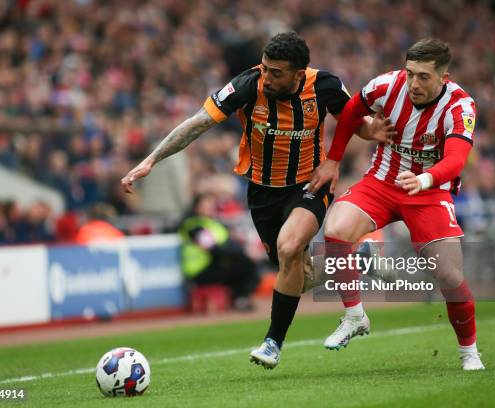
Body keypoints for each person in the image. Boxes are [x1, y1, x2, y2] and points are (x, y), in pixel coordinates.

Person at [121, 32, 394, 369]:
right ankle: (363, 259)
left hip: (309, 184)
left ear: (298, 74)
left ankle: (272, 342)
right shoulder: (248, 85)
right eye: (264, 68)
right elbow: (198, 123)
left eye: (276, 73)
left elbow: (355, 122)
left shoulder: (325, 86)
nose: (267, 78)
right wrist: (151, 160)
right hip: (262, 192)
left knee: (290, 246)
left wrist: (372, 131)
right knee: (298, 274)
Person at [309, 38, 485, 370]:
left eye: (423, 77)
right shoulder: (386, 86)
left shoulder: (460, 106)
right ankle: (354, 316)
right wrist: (333, 160)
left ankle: (469, 351)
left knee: (449, 276)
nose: (413, 83)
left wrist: (425, 179)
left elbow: (456, 160)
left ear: (443, 79)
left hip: (429, 193)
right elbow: (349, 114)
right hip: (382, 182)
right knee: (335, 230)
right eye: (410, 74)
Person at [178, 193, 260, 311]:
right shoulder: (193, 225)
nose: (210, 208)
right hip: (199, 271)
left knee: (246, 264)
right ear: (196, 207)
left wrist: (240, 251)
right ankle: (239, 299)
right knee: (245, 265)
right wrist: (241, 252)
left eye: (211, 205)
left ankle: (240, 299)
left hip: (212, 266)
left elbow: (229, 244)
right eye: (205, 205)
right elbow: (214, 250)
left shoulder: (214, 224)